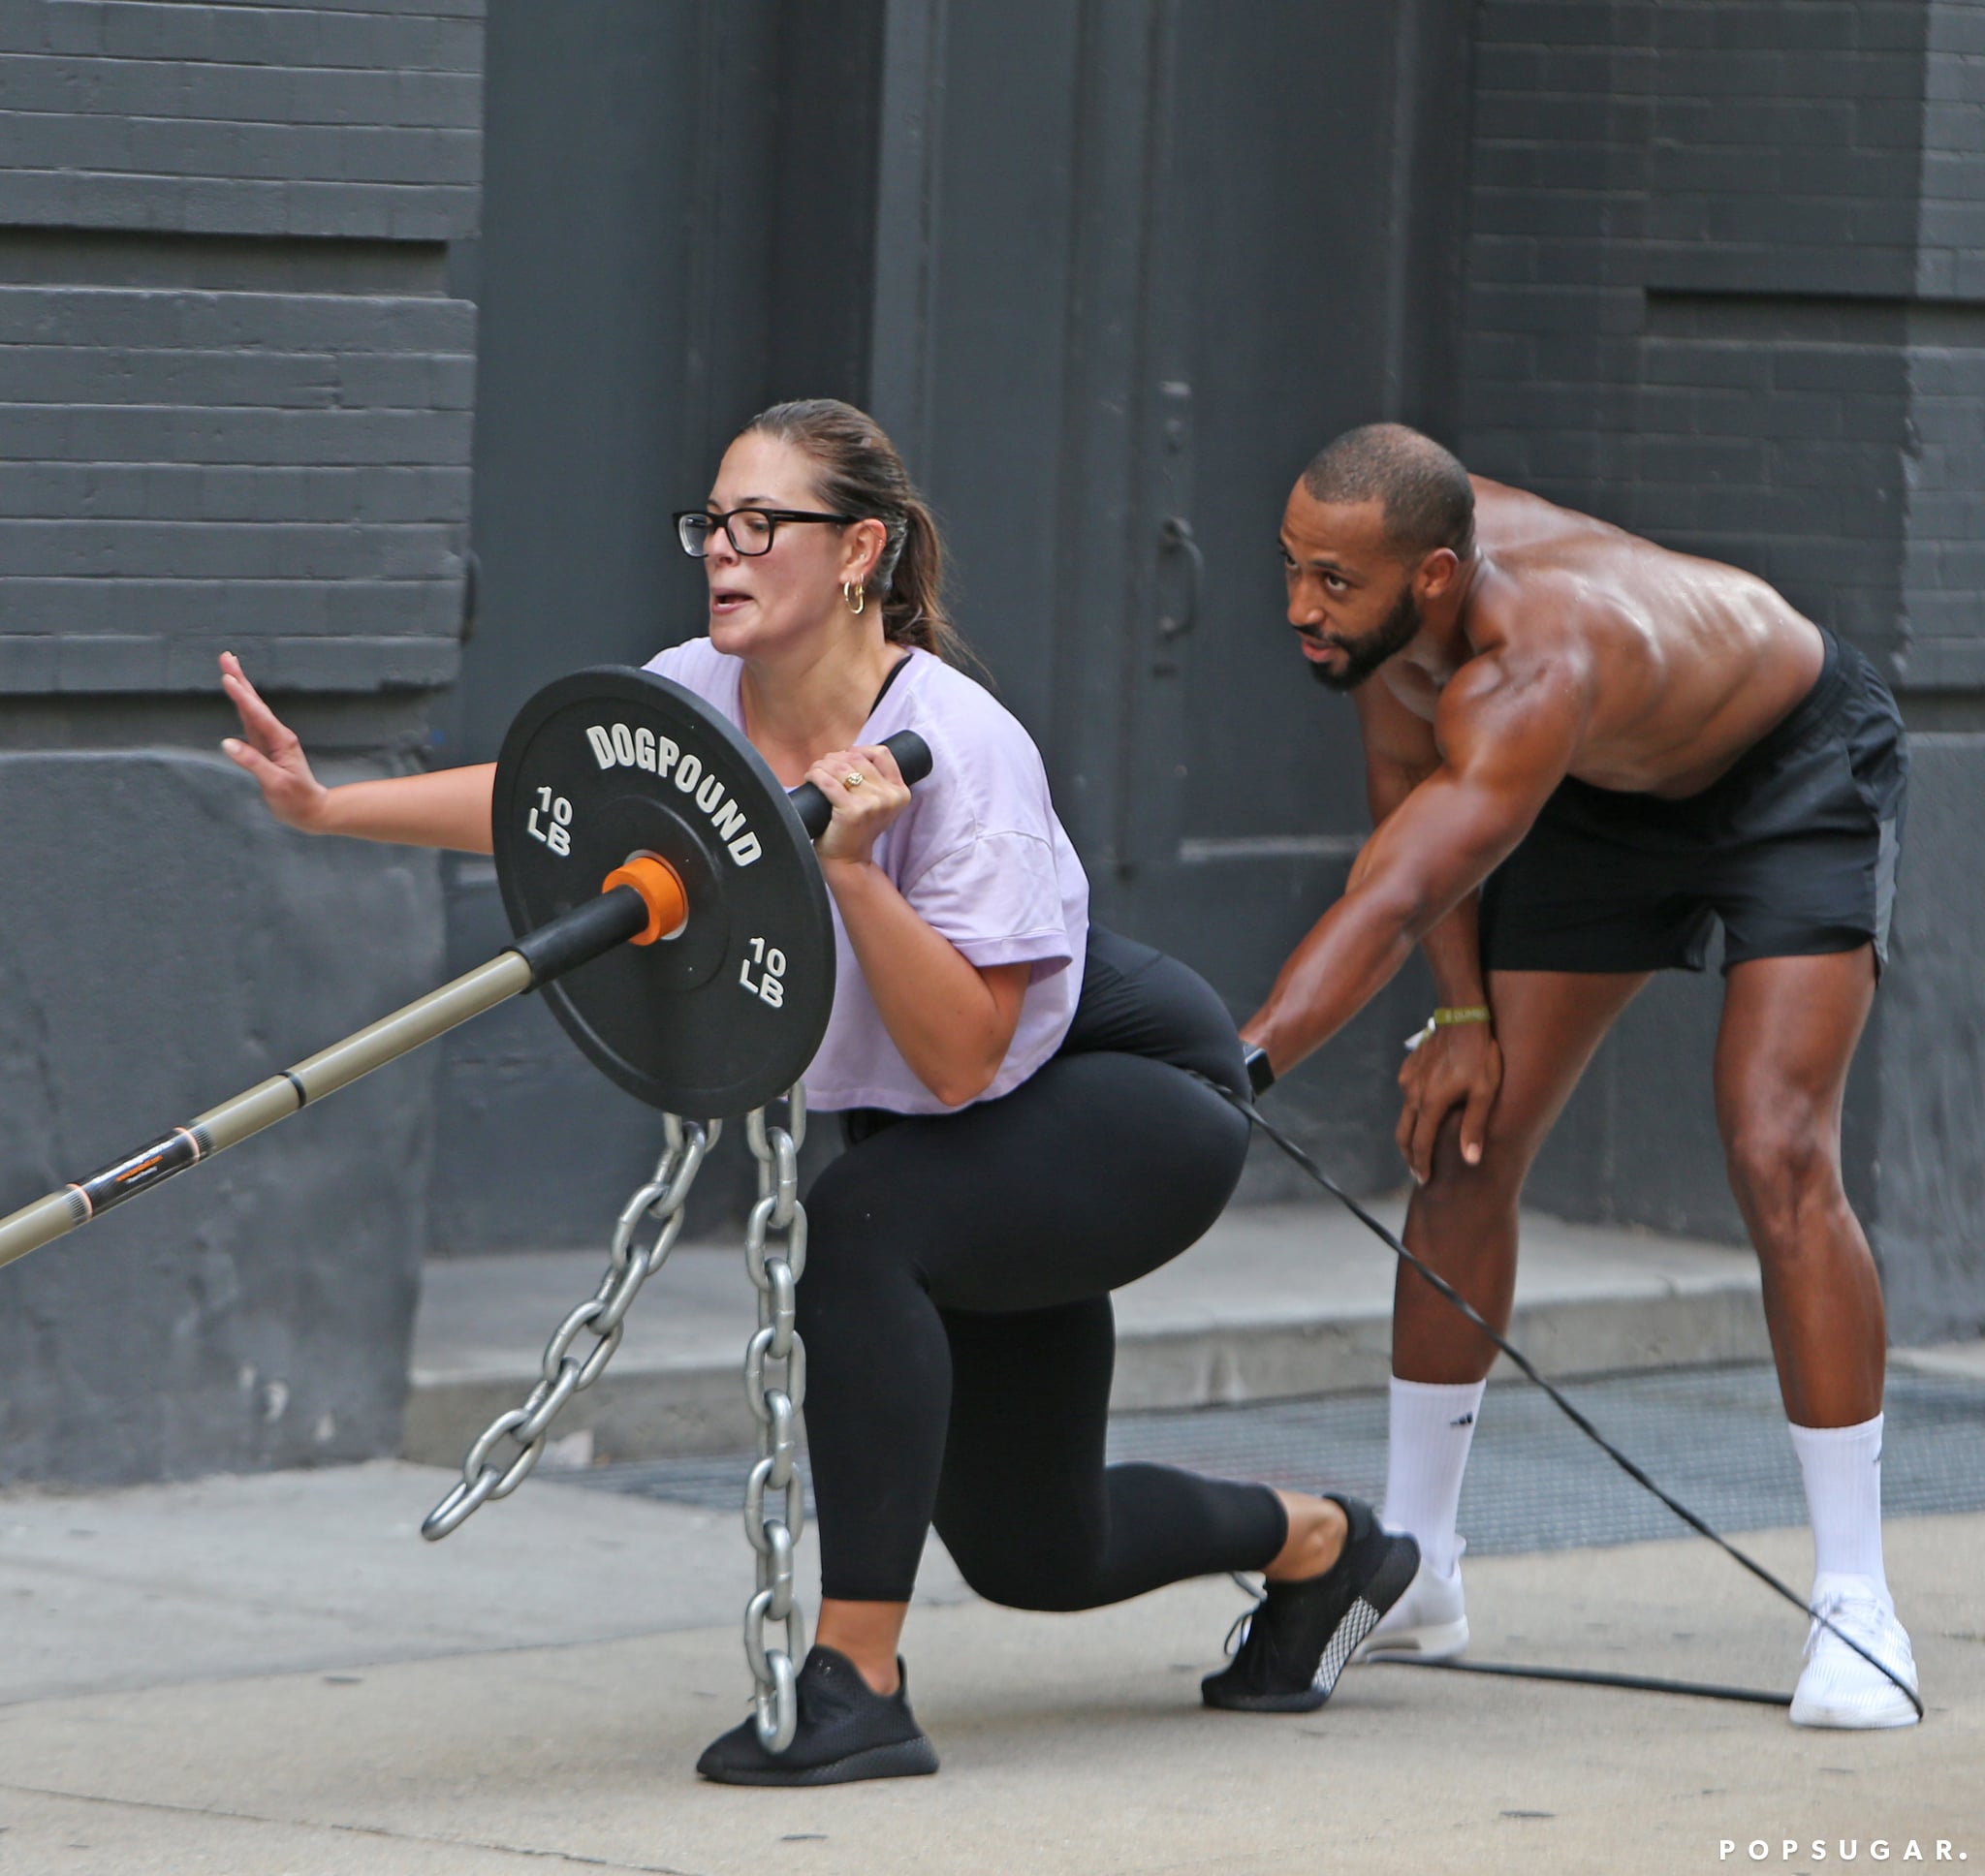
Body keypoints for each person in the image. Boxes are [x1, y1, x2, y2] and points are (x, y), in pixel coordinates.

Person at [217, 396, 1420, 1785]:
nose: (723, 553)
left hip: (1129, 1101)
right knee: (1042, 1551)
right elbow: (556, 802)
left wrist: (848, 870)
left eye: (759, 526)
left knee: (857, 1228)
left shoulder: (961, 747)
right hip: (956, 1139)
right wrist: (331, 809)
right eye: (711, 525)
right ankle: (1330, 1549)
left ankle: (858, 1680)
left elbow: (969, 1051)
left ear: (860, 551)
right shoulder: (700, 694)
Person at [1240, 422, 1916, 1731]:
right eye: (1291, 566)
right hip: (1594, 789)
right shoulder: (1390, 593)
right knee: (1462, 1140)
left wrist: (1244, 1058)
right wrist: (1460, 1015)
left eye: (1331, 584)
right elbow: (1406, 805)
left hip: (1787, 768)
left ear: (1434, 578)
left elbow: (1393, 895)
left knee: (1776, 1150)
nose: (1297, 608)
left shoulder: (1530, 655)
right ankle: (1424, 1565)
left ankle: (1856, 1598)